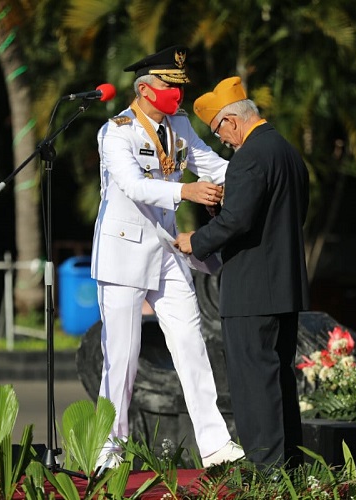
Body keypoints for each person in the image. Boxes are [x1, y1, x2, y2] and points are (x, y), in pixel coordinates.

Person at [90, 46, 244, 470]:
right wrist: (185, 191)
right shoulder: (116, 132)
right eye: (168, 87)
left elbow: (210, 164)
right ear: (144, 89)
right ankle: (108, 452)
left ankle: (215, 446)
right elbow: (134, 187)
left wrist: (253, 174)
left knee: (192, 344)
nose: (176, 95)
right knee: (120, 357)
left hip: (166, 248)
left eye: (179, 87)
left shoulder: (178, 125)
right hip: (122, 251)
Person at [174, 76, 311, 468]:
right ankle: (289, 468)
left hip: (253, 288)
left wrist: (195, 240)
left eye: (219, 132)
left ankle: (267, 471)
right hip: (284, 286)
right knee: (279, 378)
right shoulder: (286, 151)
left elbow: (238, 222)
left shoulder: (249, 156)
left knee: (254, 382)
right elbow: (277, 215)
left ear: (231, 121)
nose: (224, 142)